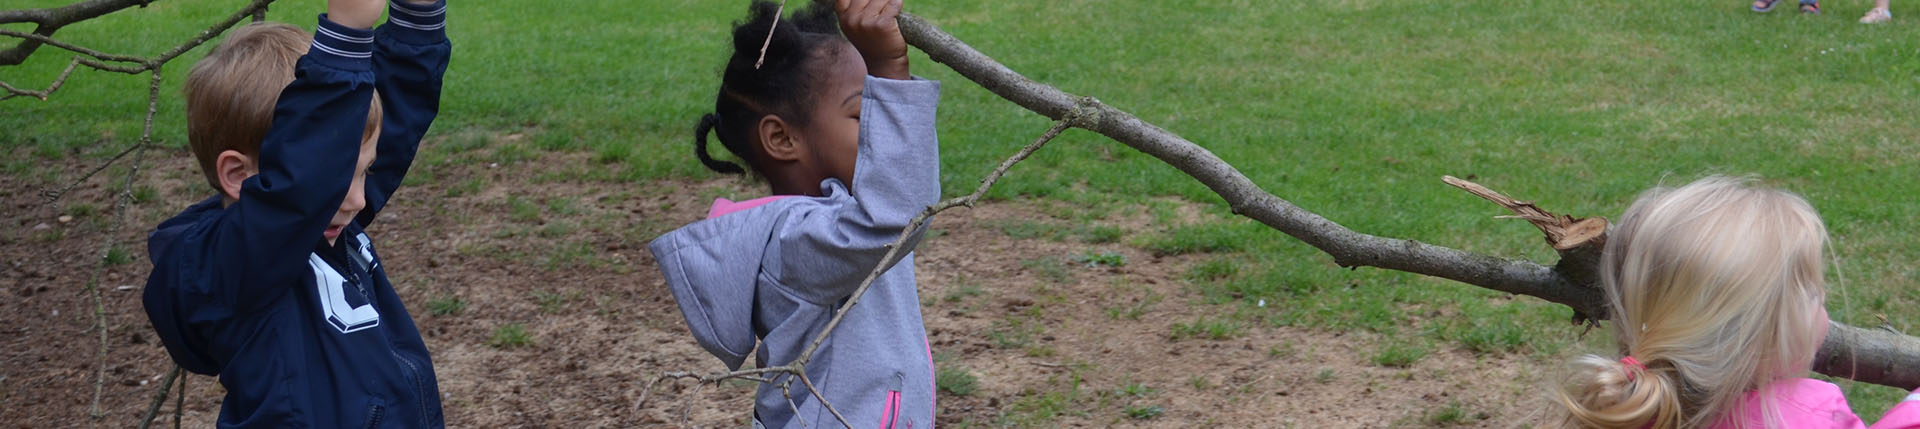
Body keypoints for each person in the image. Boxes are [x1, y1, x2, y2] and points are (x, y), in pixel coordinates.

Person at [140, 0, 451, 426]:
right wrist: (347, 31)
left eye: (366, 174)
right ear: (239, 174)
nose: (360, 202)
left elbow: (387, 118)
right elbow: (305, 180)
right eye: (339, 179)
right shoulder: (236, 266)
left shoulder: (321, 225)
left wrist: (418, 15)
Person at [647, 0, 941, 426]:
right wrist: (888, 67)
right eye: (864, 113)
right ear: (782, 139)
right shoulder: (791, 244)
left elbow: (901, 189)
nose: (879, 129)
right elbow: (899, 214)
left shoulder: (846, 213)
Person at [1551, 176, 1920, 428]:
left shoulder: (1631, 406)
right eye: (1810, 293)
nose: (1823, 295)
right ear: (1758, 335)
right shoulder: (1804, 414)